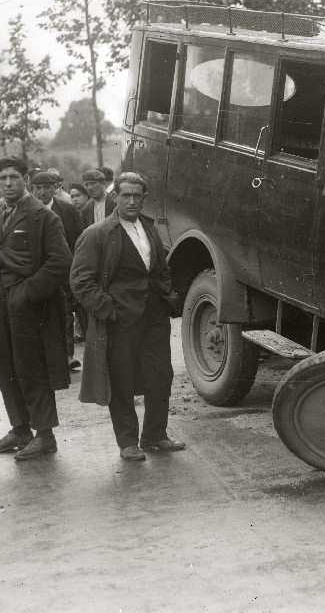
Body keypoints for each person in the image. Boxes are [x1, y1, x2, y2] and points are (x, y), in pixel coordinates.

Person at [71, 172, 185, 461]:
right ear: (115, 197)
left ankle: (155, 435)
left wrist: (165, 293)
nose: (132, 201)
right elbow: (81, 280)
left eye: (138, 196)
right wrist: (108, 309)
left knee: (161, 375)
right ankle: (127, 443)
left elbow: (159, 268)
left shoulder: (148, 227)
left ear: (144, 198)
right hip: (120, 320)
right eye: (126, 195)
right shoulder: (98, 233)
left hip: (154, 317)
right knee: (121, 381)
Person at [0, 156, 72, 459]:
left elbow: (61, 261)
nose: (7, 184)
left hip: (29, 304)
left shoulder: (42, 216)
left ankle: (45, 435)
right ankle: (20, 429)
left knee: (31, 367)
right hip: (1, 301)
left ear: (25, 180)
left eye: (14, 177)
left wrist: (27, 293)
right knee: (4, 366)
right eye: (2, 179)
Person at [32, 171, 84, 371]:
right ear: (32, 188)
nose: (43, 192)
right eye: (38, 188)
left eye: (47, 187)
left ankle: (68, 355)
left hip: (64, 270)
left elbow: (79, 239)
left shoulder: (68, 211)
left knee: (65, 312)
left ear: (55, 188)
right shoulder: (28, 209)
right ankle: (42, 357)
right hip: (37, 272)